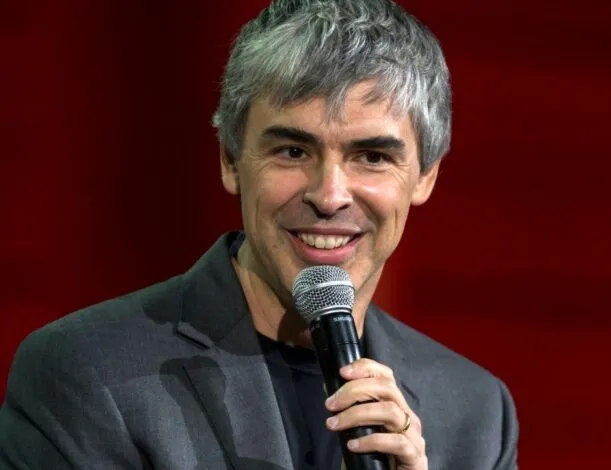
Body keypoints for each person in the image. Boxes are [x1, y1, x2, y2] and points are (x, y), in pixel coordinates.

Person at [0, 0, 519, 468]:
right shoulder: (87, 374)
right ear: (231, 160)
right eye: (293, 151)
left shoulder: (475, 413)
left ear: (425, 176)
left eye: (371, 156)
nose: (330, 195)